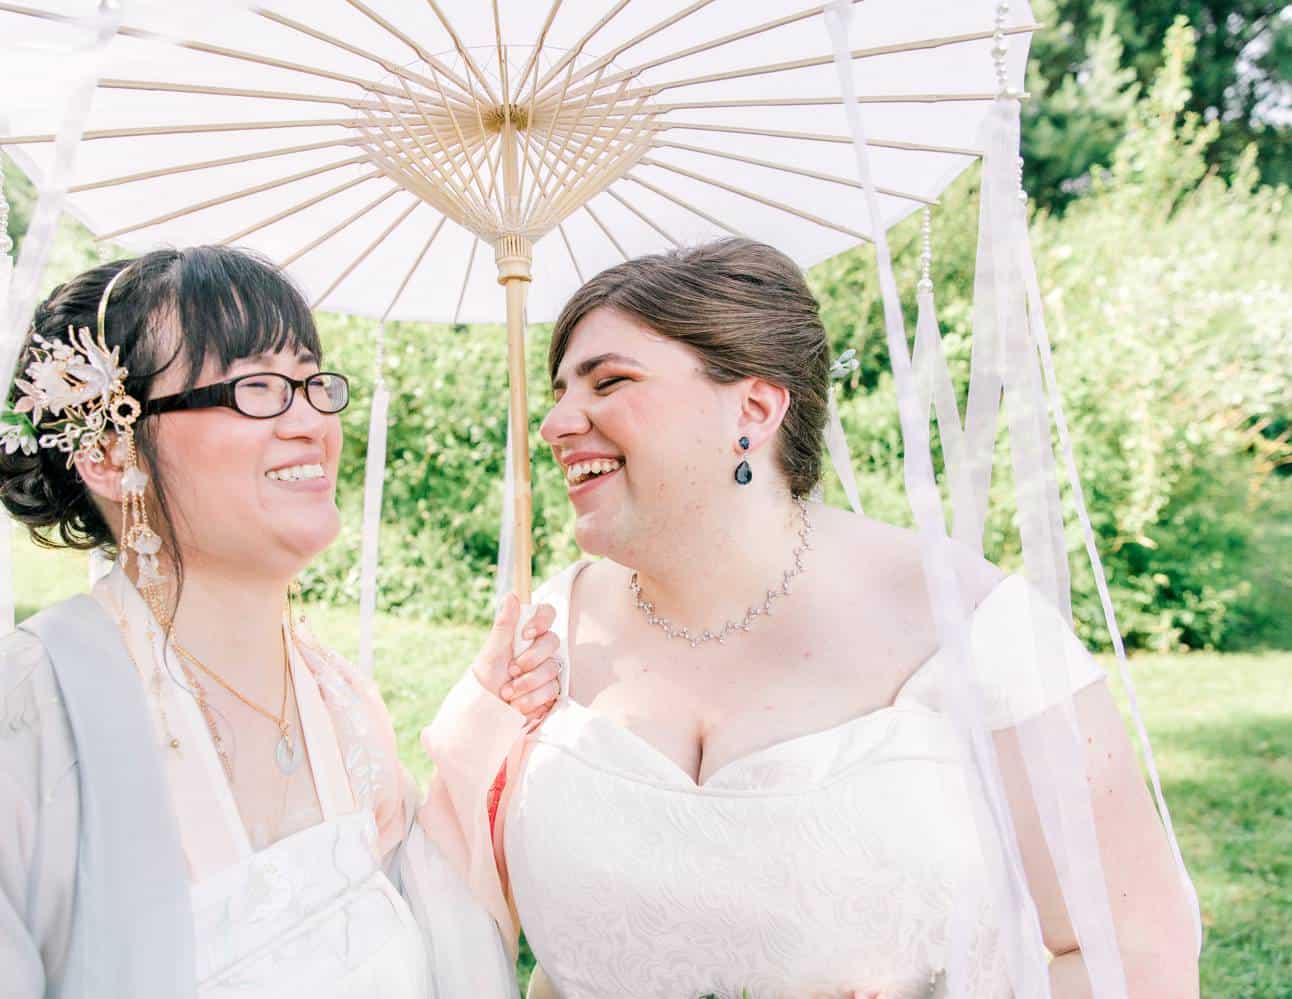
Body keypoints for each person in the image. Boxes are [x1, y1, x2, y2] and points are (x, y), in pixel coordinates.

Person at [420, 239, 1200, 998]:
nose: (557, 424)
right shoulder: (542, 632)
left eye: (607, 382)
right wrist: (484, 726)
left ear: (753, 408)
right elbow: (449, 909)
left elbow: (1136, 955)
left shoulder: (966, 622)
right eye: (558, 392)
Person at [0, 246, 559, 997]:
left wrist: (490, 717)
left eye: (310, 380)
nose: (311, 424)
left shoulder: (342, 704)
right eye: (257, 386)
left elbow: (434, 929)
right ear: (108, 452)